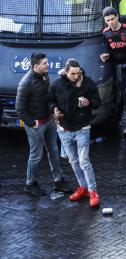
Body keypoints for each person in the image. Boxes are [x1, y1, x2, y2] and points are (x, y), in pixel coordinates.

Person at [15, 52, 70, 196]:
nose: (48, 65)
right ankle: (30, 184)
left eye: (47, 62)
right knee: (36, 155)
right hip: (36, 125)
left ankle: (58, 181)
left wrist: (53, 112)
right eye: (44, 63)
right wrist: (32, 124)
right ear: (35, 66)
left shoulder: (44, 75)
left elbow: (48, 96)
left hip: (49, 120)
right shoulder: (25, 83)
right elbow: (19, 108)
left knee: (54, 151)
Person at [48, 58, 101, 207]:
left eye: (78, 73)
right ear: (66, 72)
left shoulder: (87, 82)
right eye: (73, 74)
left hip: (82, 127)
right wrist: (54, 110)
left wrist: (89, 102)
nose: (76, 76)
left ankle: (92, 191)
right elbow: (50, 100)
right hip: (64, 129)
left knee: (84, 161)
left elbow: (98, 101)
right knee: (73, 161)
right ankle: (82, 187)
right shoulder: (57, 84)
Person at [100, 7, 126, 141]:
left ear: (117, 16)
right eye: (107, 21)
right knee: (124, 96)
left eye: (112, 19)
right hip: (118, 67)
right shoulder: (105, 33)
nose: (110, 23)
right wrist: (107, 56)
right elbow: (110, 50)